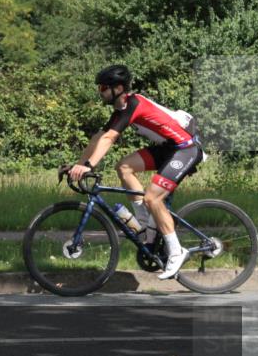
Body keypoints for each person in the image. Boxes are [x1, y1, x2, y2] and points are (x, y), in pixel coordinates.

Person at [68, 65, 204, 280]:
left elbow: (109, 139)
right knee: (124, 167)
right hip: (168, 148)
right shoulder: (121, 110)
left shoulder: (134, 104)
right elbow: (99, 136)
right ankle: (144, 225)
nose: (100, 91)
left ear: (118, 88)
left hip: (185, 149)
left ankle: (177, 251)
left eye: (103, 87)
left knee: (152, 198)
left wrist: (90, 166)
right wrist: (79, 164)